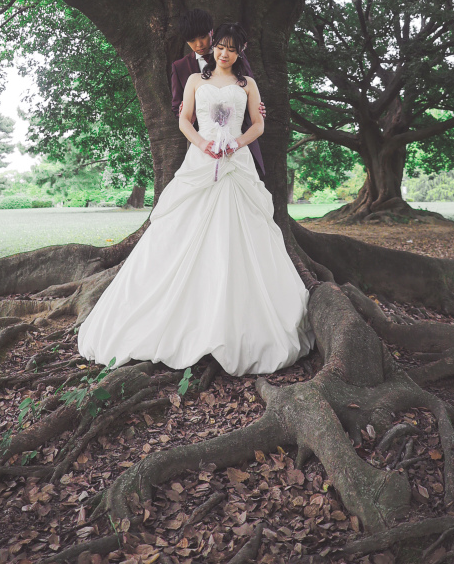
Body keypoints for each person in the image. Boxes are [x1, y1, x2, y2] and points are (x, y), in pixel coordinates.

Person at [77, 23, 311, 376]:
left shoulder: (247, 85)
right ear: (213, 47)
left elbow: (258, 126)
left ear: (241, 50)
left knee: (242, 234)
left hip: (236, 163)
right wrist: (204, 145)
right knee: (179, 233)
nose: (224, 53)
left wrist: (234, 143)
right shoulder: (195, 81)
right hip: (201, 162)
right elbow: (185, 120)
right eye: (220, 46)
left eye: (232, 48)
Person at [171, 8, 266, 181]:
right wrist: (187, 114)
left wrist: (257, 111)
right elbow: (179, 109)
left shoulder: (237, 57)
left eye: (203, 37)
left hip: (238, 140)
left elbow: (245, 92)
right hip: (203, 143)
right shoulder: (182, 69)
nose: (199, 44)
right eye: (192, 40)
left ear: (211, 34)